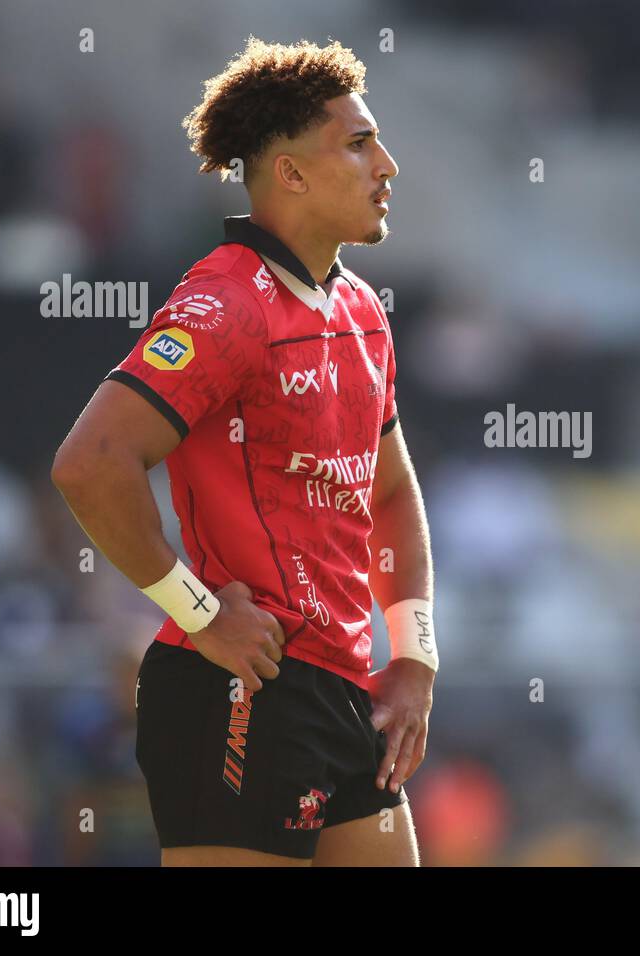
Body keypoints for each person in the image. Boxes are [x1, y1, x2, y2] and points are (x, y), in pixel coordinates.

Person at [51, 37, 437, 867]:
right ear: (290, 174)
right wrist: (200, 612)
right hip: (239, 685)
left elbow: (393, 496)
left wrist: (413, 655)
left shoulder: (364, 310)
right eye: (361, 143)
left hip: (343, 688)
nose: (388, 165)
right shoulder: (225, 302)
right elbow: (90, 463)